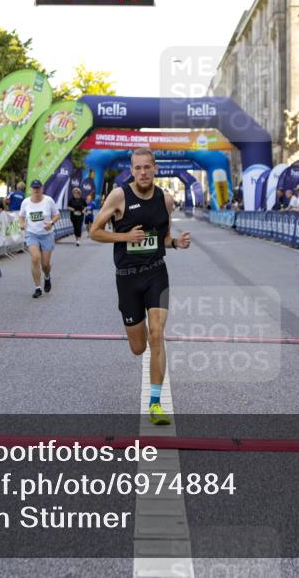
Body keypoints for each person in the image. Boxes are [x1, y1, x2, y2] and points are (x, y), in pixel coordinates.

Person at [90, 148, 191, 426]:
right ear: (131, 170)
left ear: (155, 168)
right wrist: (125, 236)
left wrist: (175, 244)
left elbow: (164, 237)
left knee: (157, 335)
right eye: (138, 168)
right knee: (139, 346)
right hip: (127, 277)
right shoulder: (119, 196)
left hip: (156, 273)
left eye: (148, 167)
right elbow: (94, 232)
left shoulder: (166, 200)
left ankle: (155, 403)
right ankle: (140, 328)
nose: (143, 172)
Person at [18, 179, 60, 298]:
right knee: (35, 258)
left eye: (38, 188)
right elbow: (21, 216)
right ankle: (38, 288)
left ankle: (47, 276)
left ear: (42, 189)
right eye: (34, 188)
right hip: (32, 234)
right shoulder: (26, 202)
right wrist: (21, 224)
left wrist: (51, 223)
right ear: (30, 189)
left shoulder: (48, 201)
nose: (36, 190)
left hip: (47, 235)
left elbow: (57, 215)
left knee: (45, 265)